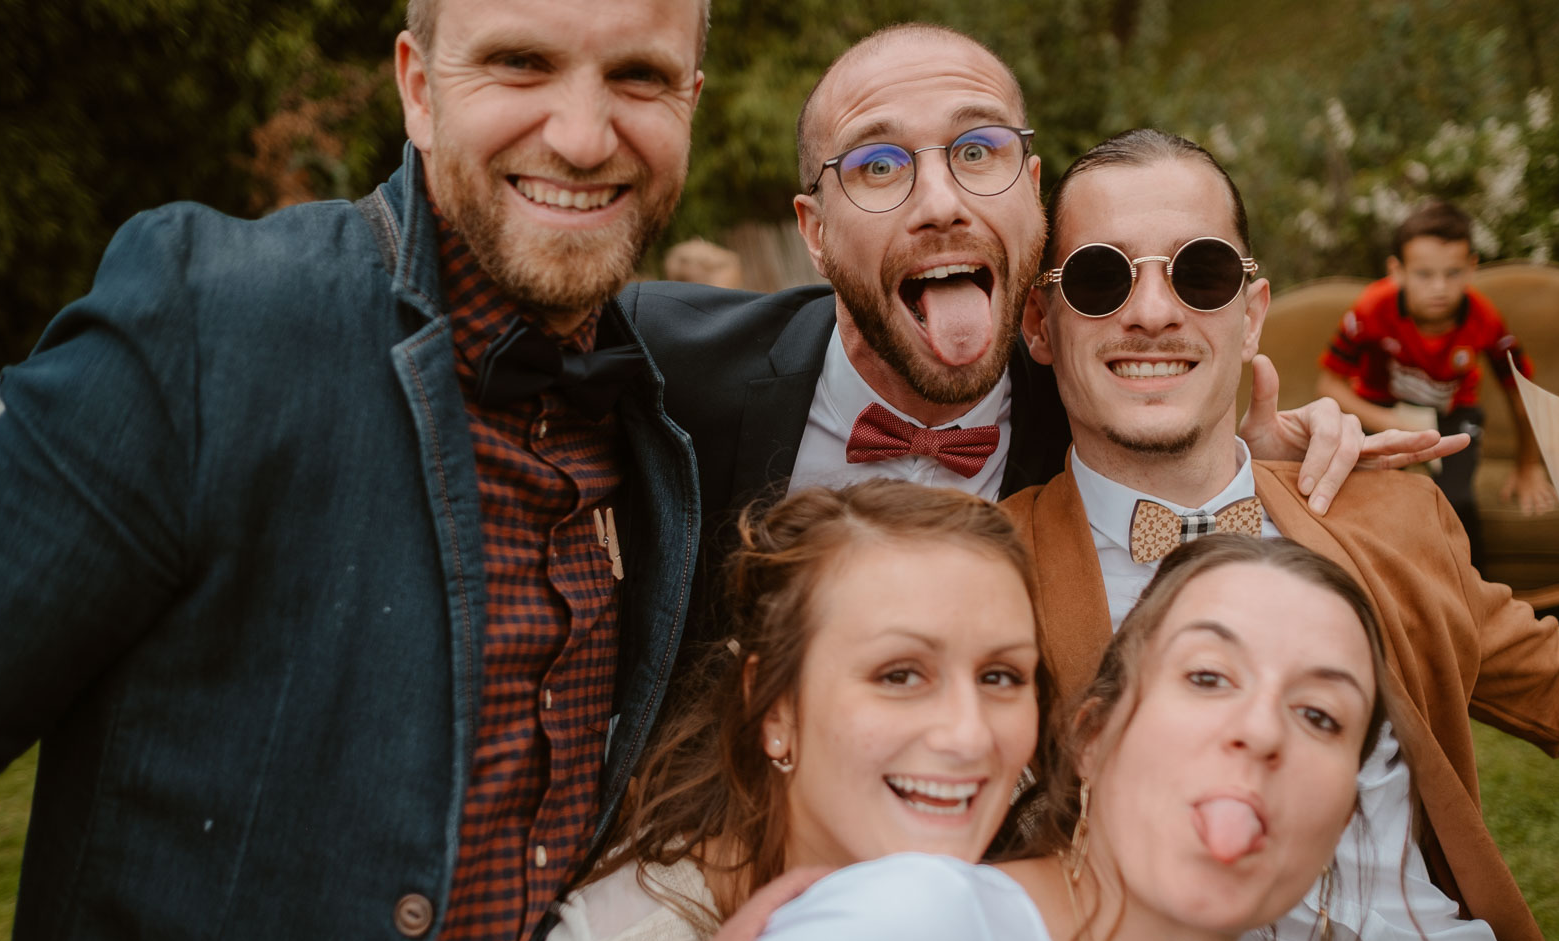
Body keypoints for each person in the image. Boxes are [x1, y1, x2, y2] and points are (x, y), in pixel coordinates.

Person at [0, 1, 710, 941]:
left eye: (638, 77)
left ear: (690, 102)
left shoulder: (650, 426)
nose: (584, 137)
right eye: (520, 63)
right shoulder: (210, 325)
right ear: (418, 89)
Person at [1007, 128, 1559, 941]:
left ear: (1250, 316)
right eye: (1101, 277)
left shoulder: (1390, 512)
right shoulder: (991, 574)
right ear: (1041, 326)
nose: (1154, 311)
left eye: (1199, 272)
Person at [619, 23, 1461, 614]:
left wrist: (1246, 466)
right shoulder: (660, 359)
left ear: (1032, 191)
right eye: (878, 166)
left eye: (979, 151)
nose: (941, 204)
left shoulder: (1100, 395)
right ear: (814, 231)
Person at [729, 534, 1391, 941]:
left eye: (1320, 716)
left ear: (1343, 817)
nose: (1261, 729)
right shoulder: (912, 931)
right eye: (1210, 677)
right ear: (1092, 739)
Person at [520, 478, 1055, 941]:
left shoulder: (1054, 888)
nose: (968, 736)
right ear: (775, 710)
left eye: (1000, 677)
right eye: (899, 675)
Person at [1316, 199, 1557, 567]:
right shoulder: (1370, 309)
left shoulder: (1485, 320)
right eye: (1424, 274)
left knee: (1456, 503)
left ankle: (1478, 601)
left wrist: (1528, 464)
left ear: (1472, 268)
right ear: (1397, 271)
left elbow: (1521, 392)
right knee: (1362, 497)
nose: (1440, 288)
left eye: (1453, 273)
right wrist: (1388, 423)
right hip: (1381, 409)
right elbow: (1329, 385)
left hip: (1452, 414)